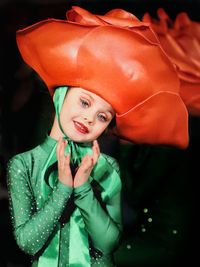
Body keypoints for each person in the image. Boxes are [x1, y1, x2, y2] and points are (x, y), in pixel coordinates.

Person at [7, 6, 189, 267]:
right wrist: (63, 189)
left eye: (103, 116)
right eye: (84, 102)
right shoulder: (23, 165)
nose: (91, 118)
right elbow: (28, 242)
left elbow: (108, 244)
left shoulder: (107, 167)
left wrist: (82, 189)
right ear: (61, 95)